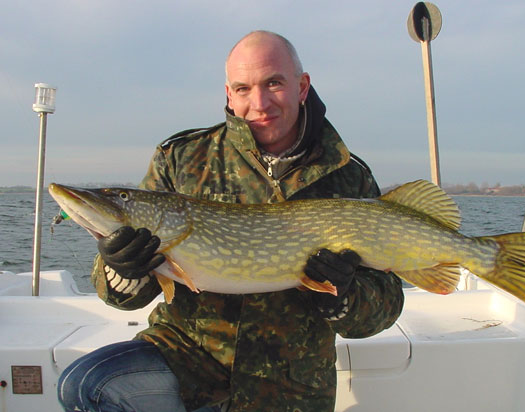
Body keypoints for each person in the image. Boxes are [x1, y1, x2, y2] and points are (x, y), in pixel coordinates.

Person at [58, 30, 404, 412]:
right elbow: (123, 298)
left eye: (274, 83)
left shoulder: (348, 177)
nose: (258, 102)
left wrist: (344, 293)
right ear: (229, 94)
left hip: (291, 386)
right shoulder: (182, 159)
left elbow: (381, 310)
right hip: (186, 362)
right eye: (243, 89)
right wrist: (121, 265)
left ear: (302, 87)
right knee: (87, 384)